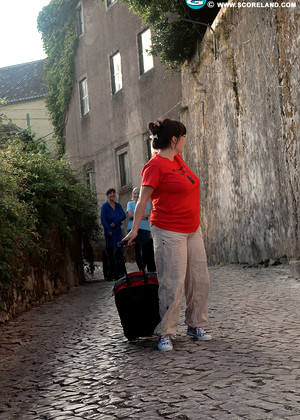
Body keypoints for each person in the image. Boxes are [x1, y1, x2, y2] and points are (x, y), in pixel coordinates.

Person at [124, 118, 212, 352]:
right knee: (172, 283)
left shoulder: (177, 159)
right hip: (168, 230)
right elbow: (142, 200)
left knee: (199, 280)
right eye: (182, 137)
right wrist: (134, 230)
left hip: (192, 229)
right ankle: (165, 332)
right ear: (175, 140)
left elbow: (161, 134)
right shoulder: (154, 166)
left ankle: (195, 324)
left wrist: (161, 125)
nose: (185, 141)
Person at [126, 187, 156, 272]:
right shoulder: (130, 203)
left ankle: (146, 266)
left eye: (138, 193)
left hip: (145, 228)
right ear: (133, 195)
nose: (136, 195)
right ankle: (141, 269)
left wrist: (137, 215)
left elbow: (147, 214)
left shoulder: (145, 203)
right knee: (137, 249)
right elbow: (131, 215)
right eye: (135, 193)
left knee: (146, 247)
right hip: (134, 229)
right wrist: (141, 215)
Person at [101, 188, 126, 280]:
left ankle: (121, 273)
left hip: (117, 231)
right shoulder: (105, 206)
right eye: (110, 193)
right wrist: (108, 230)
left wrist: (115, 222)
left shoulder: (118, 205)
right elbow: (103, 219)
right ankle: (112, 274)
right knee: (111, 253)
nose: (112, 195)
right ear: (107, 195)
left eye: (113, 193)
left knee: (119, 252)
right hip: (109, 233)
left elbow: (123, 215)